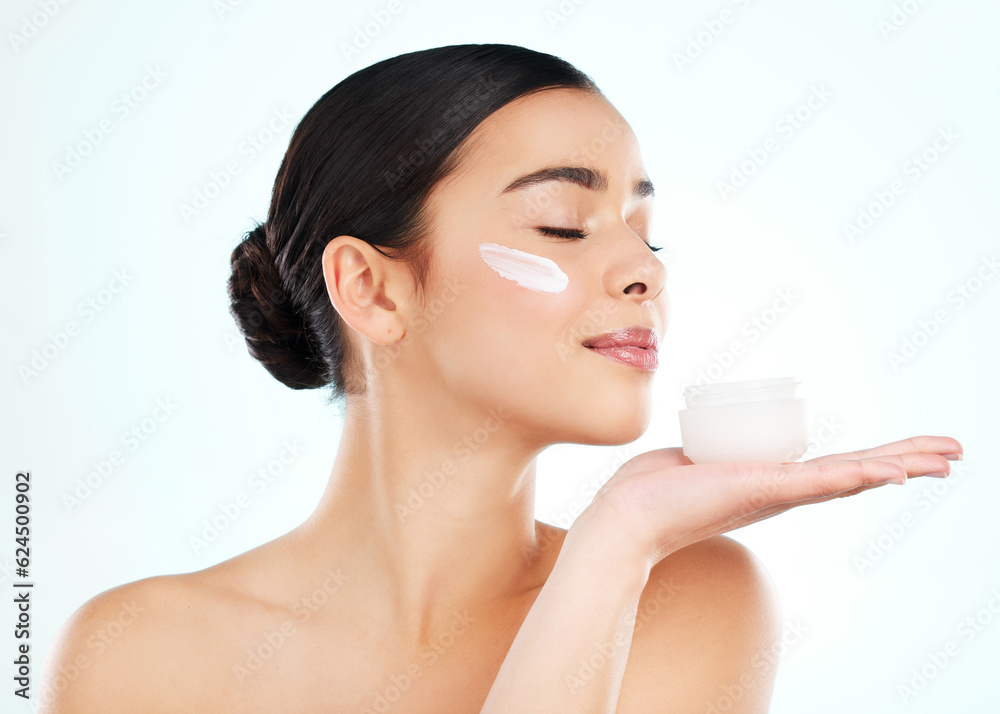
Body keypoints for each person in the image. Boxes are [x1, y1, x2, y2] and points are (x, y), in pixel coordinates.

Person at [38, 43, 962, 713]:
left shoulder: (687, 600)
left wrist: (617, 541)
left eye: (647, 232)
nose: (647, 272)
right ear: (372, 287)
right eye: (563, 223)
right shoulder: (137, 653)